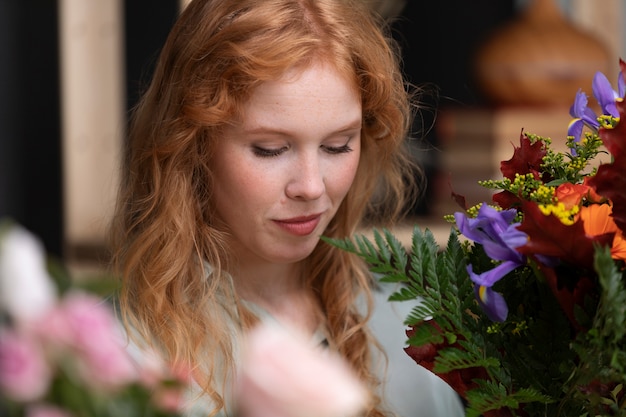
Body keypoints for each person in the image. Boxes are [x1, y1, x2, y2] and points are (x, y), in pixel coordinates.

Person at [109, 0, 421, 416]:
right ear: (192, 146)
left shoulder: (407, 326)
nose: (311, 187)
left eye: (338, 145)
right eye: (270, 150)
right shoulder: (121, 353)